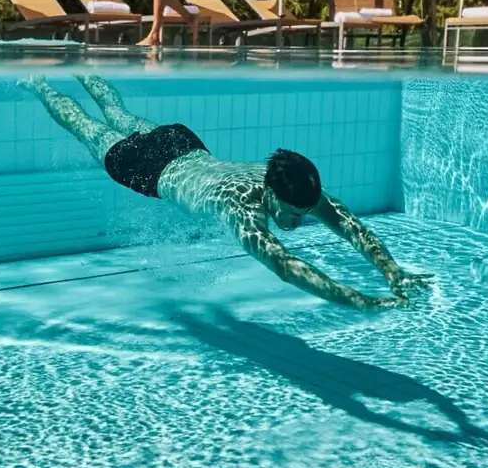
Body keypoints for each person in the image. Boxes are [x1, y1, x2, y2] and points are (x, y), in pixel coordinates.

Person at [24, 75, 433, 311]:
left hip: (181, 144)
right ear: (270, 191)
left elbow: (351, 227)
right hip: (148, 170)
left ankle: (84, 70)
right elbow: (287, 267)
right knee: (84, 125)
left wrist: (393, 272)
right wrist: (361, 301)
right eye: (291, 213)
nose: (297, 221)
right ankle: (39, 82)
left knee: (118, 115)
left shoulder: (300, 188)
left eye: (302, 215)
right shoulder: (242, 207)